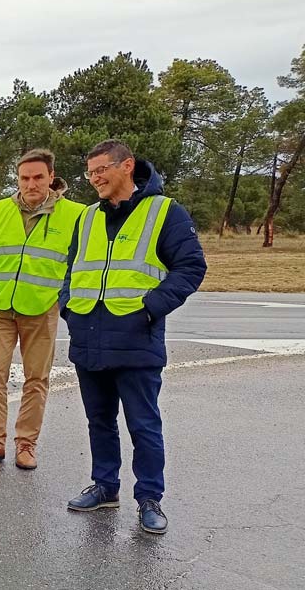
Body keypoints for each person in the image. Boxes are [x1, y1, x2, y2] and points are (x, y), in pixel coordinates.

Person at [60, 139, 206, 535]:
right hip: (88, 337)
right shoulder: (87, 217)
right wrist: (67, 307)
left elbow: (191, 267)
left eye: (101, 170)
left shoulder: (164, 211)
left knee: (143, 424)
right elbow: (72, 270)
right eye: (90, 173)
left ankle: (150, 498)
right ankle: (105, 486)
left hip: (136, 339)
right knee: (99, 421)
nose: (94, 179)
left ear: (127, 166)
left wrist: (150, 308)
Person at [0, 149, 85, 470]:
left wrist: (67, 301)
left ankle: (26, 445)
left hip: (42, 308)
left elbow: (80, 264)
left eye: (38, 177)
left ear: (51, 177)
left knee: (36, 379)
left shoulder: (75, 214)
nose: (31, 184)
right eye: (24, 178)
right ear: (18, 179)